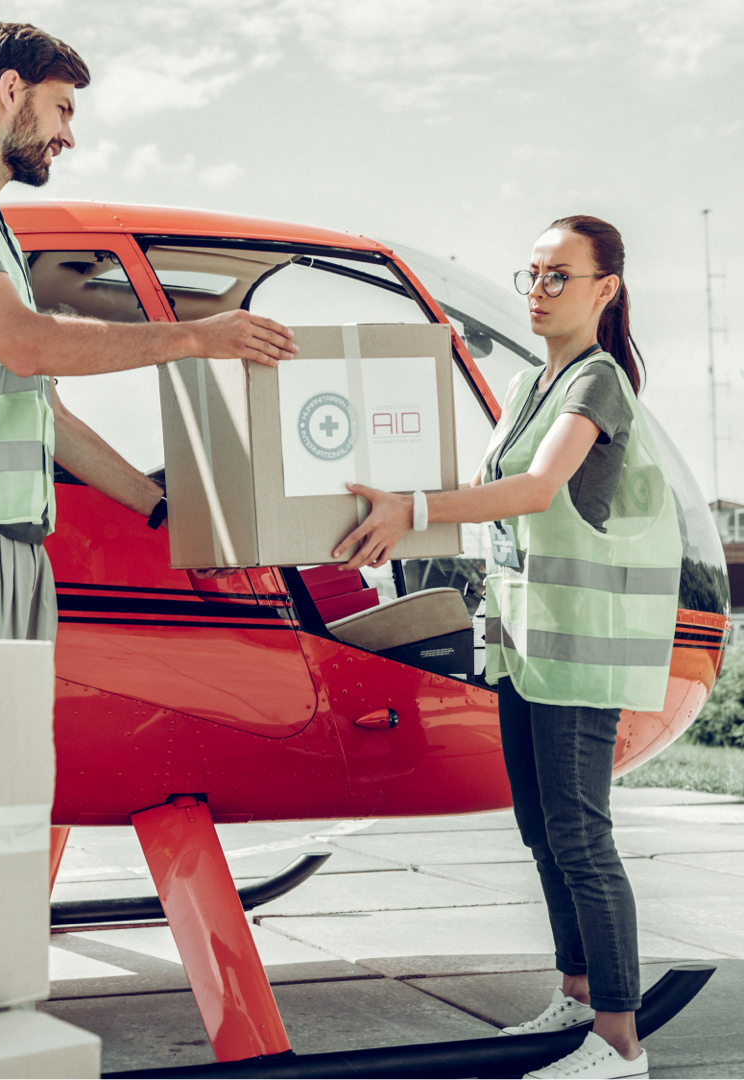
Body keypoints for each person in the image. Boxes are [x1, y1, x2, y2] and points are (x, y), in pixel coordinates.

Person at [333, 216, 681, 1080]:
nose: (536, 291)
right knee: (541, 828)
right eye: (529, 275)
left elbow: (531, 490)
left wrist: (410, 512)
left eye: (557, 277)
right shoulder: (540, 380)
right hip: (528, 644)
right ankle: (577, 990)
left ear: (605, 290)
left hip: (577, 650)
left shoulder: (594, 381)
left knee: (580, 836)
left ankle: (620, 1042)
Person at [0, 22, 296, 641]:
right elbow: (27, 345)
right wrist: (196, 338)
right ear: (11, 90)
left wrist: (168, 513)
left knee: (13, 742)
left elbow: (53, 419)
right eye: (62, 110)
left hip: (11, 541)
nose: (68, 136)